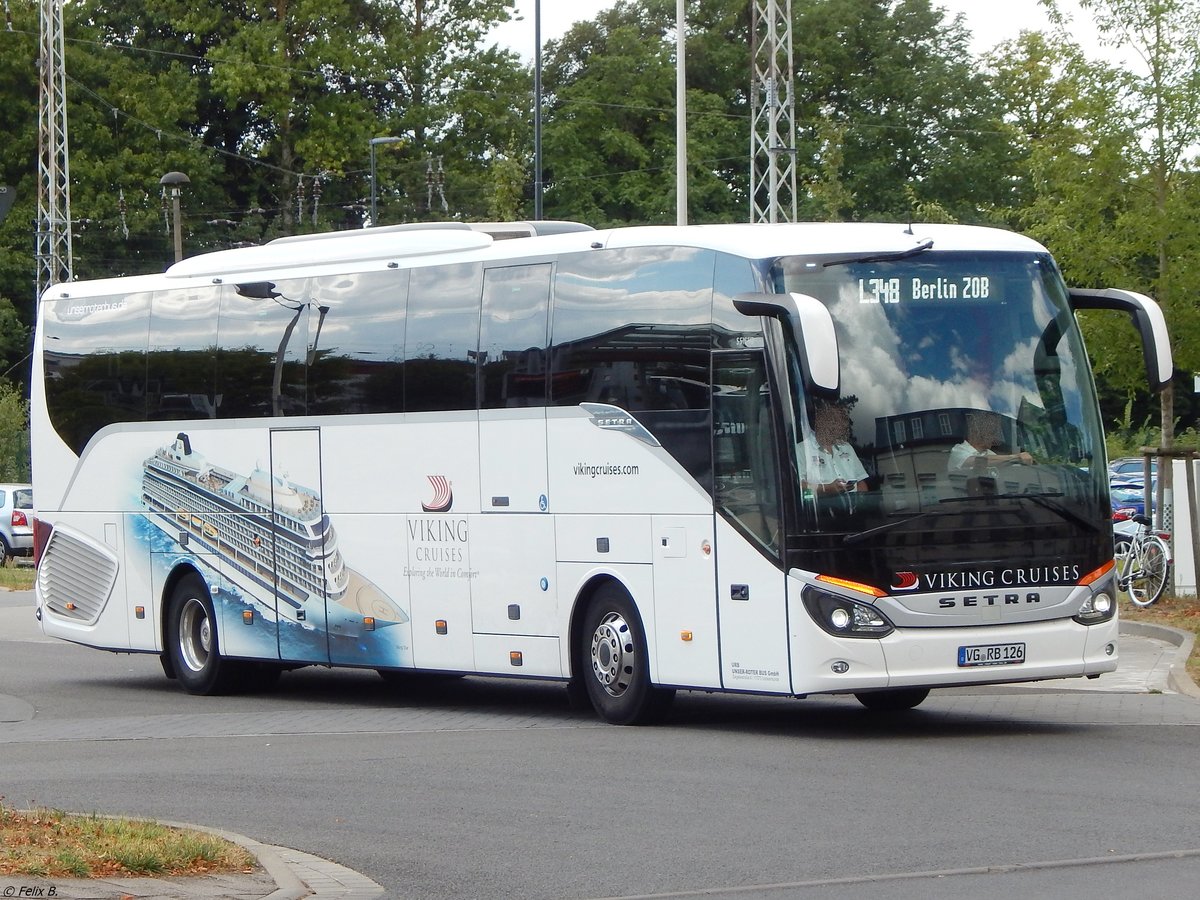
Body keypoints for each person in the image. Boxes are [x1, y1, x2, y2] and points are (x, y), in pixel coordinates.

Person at [803, 402, 869, 498]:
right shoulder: (803, 449)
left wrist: (863, 503)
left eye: (841, 422)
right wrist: (828, 489)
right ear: (821, 422)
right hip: (818, 510)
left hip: (853, 510)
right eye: (834, 421)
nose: (839, 426)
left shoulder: (847, 447)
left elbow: (861, 482)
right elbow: (800, 486)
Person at [949, 411, 1033, 474]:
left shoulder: (991, 454)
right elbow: (975, 462)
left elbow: (1010, 468)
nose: (995, 437)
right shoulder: (958, 451)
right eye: (992, 432)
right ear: (976, 430)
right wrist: (1016, 457)